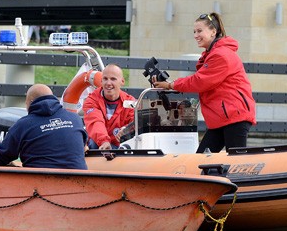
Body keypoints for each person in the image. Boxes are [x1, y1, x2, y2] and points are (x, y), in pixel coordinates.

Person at [151, 12, 256, 153]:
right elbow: (201, 79)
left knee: (234, 160)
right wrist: (171, 84)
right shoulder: (215, 54)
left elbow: (200, 81)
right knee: (204, 158)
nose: (195, 35)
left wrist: (171, 85)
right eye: (194, 31)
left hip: (233, 116)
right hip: (224, 117)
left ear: (213, 31)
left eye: (199, 31)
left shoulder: (220, 55)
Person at [0, 84, 87, 169]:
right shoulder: (75, 119)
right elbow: (83, 147)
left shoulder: (23, 124)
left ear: (30, 102)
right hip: (80, 183)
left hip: (39, 186)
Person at [83, 64, 136, 150]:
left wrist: (126, 130)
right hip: (98, 145)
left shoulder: (130, 102)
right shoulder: (91, 101)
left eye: (113, 79)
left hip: (120, 147)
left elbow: (135, 122)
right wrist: (104, 141)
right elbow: (95, 122)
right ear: (101, 81)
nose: (108, 83)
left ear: (122, 81)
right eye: (105, 79)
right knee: (94, 143)